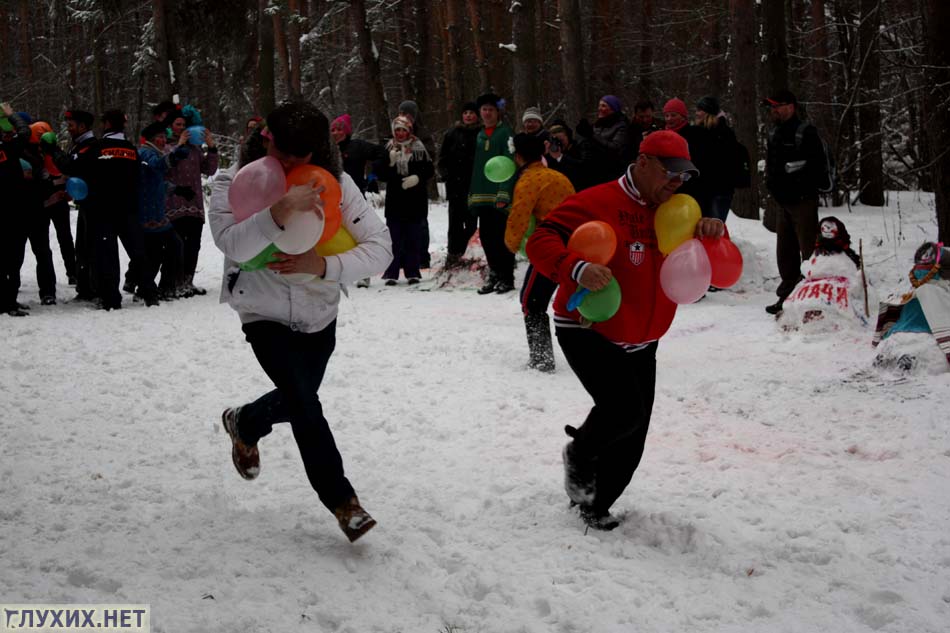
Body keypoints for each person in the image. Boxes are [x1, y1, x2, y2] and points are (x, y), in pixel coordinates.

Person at [209, 100, 392, 543]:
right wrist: (278, 212)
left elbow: (381, 249)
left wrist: (322, 266)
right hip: (262, 312)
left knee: (299, 397)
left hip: (319, 312)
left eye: (301, 155)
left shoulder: (338, 185)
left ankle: (246, 421)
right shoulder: (230, 181)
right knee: (306, 405)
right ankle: (343, 501)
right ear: (266, 136)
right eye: (283, 151)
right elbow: (231, 244)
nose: (290, 162)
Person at [526, 130, 724, 530]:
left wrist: (713, 232)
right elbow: (541, 239)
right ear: (644, 161)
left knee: (633, 440)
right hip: (588, 328)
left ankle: (594, 504)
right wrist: (576, 268)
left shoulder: (680, 209)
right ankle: (580, 455)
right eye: (671, 173)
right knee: (623, 411)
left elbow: (707, 259)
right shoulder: (596, 200)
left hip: (644, 339)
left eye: (684, 176)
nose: (677, 182)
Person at [504, 133, 575, 372]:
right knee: (575, 301)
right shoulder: (558, 176)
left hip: (550, 246)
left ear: (519, 156)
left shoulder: (528, 180)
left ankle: (541, 359)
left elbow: (519, 215)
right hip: (575, 244)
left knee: (531, 301)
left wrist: (511, 244)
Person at [762, 89, 829, 316]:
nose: (774, 111)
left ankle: (814, 298)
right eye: (771, 107)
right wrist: (774, 187)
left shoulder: (806, 132)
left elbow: (818, 168)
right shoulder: (774, 134)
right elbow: (772, 167)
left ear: (791, 106)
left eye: (777, 106)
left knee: (809, 253)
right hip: (783, 203)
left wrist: (797, 183)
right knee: (785, 253)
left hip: (803, 202)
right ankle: (787, 297)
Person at [164, 105, 219, 297]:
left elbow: (210, 169)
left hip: (194, 205)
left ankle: (188, 281)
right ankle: (175, 282)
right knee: (176, 245)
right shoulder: (167, 146)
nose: (182, 128)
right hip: (174, 204)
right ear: (170, 126)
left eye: (185, 124)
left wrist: (211, 146)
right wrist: (178, 145)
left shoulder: (195, 149)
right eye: (178, 124)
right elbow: (166, 168)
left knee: (193, 245)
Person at [468, 92, 516, 294]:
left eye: (491, 110)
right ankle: (494, 273)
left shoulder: (505, 133)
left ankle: (507, 276)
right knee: (487, 237)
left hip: (499, 194)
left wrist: (504, 191)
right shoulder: (478, 134)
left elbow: (509, 163)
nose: (487, 113)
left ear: (498, 112)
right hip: (481, 195)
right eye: (484, 110)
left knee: (501, 237)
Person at [378, 114, 434, 285]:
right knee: (394, 237)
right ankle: (392, 272)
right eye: (397, 130)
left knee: (413, 237)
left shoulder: (418, 147)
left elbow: (429, 169)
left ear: (409, 130)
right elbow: (380, 174)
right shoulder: (387, 147)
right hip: (395, 199)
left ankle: (413, 271)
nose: (400, 133)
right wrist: (389, 163)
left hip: (415, 199)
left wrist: (417, 177)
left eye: (403, 130)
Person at [137, 121, 188, 302]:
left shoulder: (153, 153)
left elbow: (156, 183)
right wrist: (174, 156)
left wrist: (178, 189)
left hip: (157, 214)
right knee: (161, 250)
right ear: (151, 139)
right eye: (159, 137)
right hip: (147, 215)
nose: (163, 140)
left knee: (165, 249)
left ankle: (158, 287)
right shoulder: (144, 153)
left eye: (164, 137)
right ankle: (149, 288)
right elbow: (157, 166)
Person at [30, 121, 77, 287]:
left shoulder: (57, 153)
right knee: (43, 243)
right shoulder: (31, 155)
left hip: (58, 200)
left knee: (65, 237)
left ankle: (73, 272)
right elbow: (35, 180)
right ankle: (52, 279)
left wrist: (68, 189)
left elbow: (67, 172)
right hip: (42, 202)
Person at [437, 101, 481, 267]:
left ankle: (466, 252)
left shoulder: (481, 134)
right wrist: (446, 174)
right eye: (466, 113)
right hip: (455, 185)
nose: (468, 116)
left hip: (473, 186)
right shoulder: (452, 133)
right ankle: (453, 254)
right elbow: (442, 158)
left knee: (471, 223)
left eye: (471, 113)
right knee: (454, 222)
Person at [0, 104, 34, 316]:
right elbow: (25, 132)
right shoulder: (7, 148)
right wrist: (12, 116)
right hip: (12, 210)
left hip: (8, 210)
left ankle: (7, 299)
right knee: (12, 259)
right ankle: (7, 302)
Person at [663, 97, 712, 215]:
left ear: (683, 117)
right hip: (667, 190)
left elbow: (701, 163)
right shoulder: (661, 135)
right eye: (667, 115)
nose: (669, 119)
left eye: (673, 115)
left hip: (692, 191)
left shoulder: (696, 134)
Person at [693, 96, 738, 223]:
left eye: (700, 110)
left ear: (708, 113)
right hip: (705, 191)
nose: (697, 113)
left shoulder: (723, 133)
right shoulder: (701, 131)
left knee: (714, 230)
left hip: (719, 191)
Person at [575, 95, 629, 186]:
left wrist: (591, 135)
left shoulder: (621, 126)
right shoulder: (597, 125)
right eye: (599, 105)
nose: (599, 108)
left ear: (613, 109)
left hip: (611, 173)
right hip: (594, 171)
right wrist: (582, 136)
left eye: (604, 106)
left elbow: (615, 148)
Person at [330, 114, 387, 196]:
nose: (335, 133)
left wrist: (373, 176)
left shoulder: (357, 146)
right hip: (333, 197)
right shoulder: (327, 150)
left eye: (339, 129)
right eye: (333, 130)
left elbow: (382, 153)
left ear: (346, 132)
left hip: (355, 197)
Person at [545, 121, 585, 191]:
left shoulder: (578, 147)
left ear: (567, 137)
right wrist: (545, 155)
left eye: (561, 140)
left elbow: (582, 168)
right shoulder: (551, 151)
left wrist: (561, 157)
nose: (559, 143)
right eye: (556, 141)